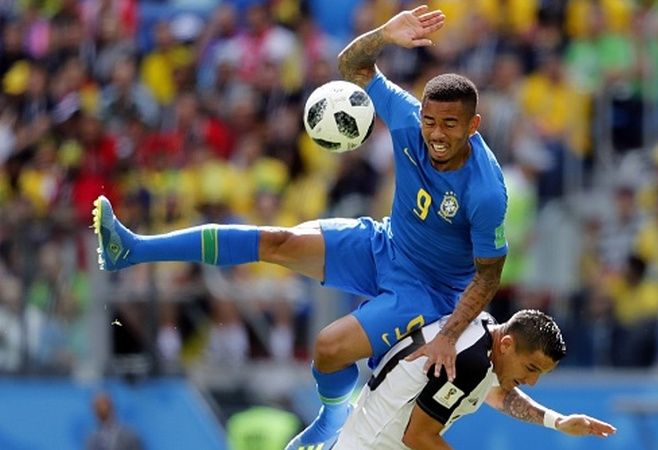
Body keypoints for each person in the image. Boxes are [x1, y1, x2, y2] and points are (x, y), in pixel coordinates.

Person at [93, 5, 508, 449]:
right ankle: (132, 249)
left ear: (473, 125)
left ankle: (331, 421)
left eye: (450, 125)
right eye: (430, 121)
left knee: (328, 349)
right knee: (278, 240)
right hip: (384, 243)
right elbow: (352, 64)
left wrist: (447, 336)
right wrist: (384, 34)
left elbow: (489, 274)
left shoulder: (485, 190)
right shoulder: (408, 119)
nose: (437, 134)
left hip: (428, 292)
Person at [332, 309, 616, 449]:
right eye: (531, 368)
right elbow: (418, 436)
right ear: (506, 344)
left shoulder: (482, 331)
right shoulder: (472, 362)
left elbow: (497, 394)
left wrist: (557, 421)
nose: (532, 381)